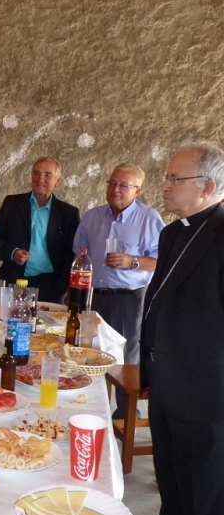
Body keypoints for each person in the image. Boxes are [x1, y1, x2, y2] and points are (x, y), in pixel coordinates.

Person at [132, 143, 224, 515]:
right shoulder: (172, 233)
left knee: (204, 475)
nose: (164, 185)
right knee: (168, 462)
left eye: (173, 179)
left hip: (206, 384)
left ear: (207, 187)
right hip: (166, 375)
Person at [72, 163, 164, 416]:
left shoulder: (149, 219)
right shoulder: (92, 216)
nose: (116, 189)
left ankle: (126, 414)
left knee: (124, 358)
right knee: (88, 354)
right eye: (112, 183)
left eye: (124, 185)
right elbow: (79, 254)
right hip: (92, 298)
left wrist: (131, 261)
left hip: (127, 299)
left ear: (138, 190)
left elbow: (162, 262)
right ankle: (87, 409)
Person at [0, 157, 80, 303]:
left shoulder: (68, 214)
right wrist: (13, 252)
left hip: (50, 287)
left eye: (47, 175)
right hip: (13, 282)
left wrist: (64, 286)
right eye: (36, 173)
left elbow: (71, 253)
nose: (40, 178)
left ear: (57, 181)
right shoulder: (12, 204)